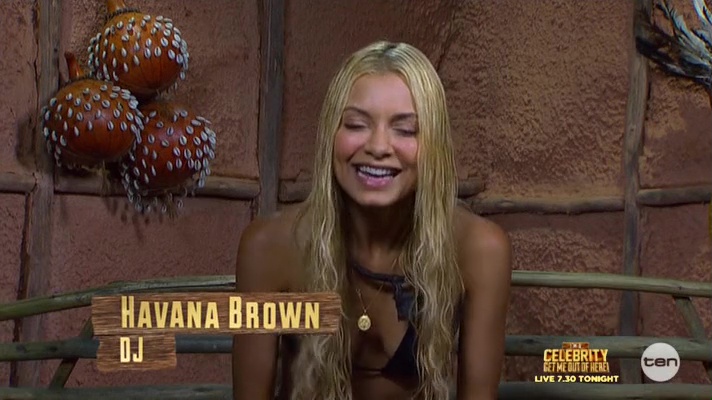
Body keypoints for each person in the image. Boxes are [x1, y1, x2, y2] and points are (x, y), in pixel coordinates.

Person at [232, 40, 512, 400]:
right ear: (330, 136)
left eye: (406, 130)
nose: (378, 147)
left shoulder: (480, 249)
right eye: (356, 124)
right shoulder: (269, 247)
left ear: (435, 146)